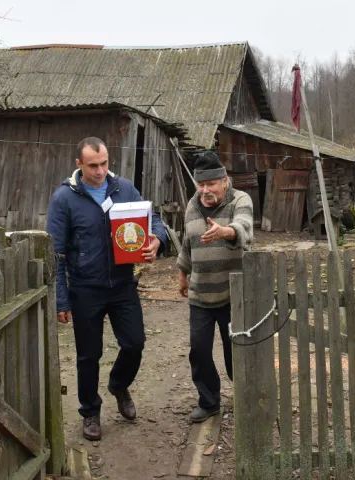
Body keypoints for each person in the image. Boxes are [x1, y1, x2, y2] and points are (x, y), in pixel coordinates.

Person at [47, 136, 167, 441]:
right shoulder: (65, 199)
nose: (100, 171)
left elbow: (153, 221)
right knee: (89, 355)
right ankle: (90, 412)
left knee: (135, 343)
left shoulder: (124, 188)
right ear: (79, 165)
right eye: (92, 166)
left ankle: (118, 384)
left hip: (123, 284)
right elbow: (55, 254)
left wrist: (158, 240)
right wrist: (62, 299)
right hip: (85, 288)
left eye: (104, 164)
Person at [176, 151, 253, 423]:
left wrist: (226, 232)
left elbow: (245, 228)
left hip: (234, 295)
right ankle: (209, 402)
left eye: (211, 184)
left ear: (224, 181)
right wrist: (183, 274)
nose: (205, 190)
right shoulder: (193, 204)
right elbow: (188, 241)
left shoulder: (239, 199)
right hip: (201, 294)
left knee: (237, 350)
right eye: (201, 185)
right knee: (199, 350)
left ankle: (246, 397)